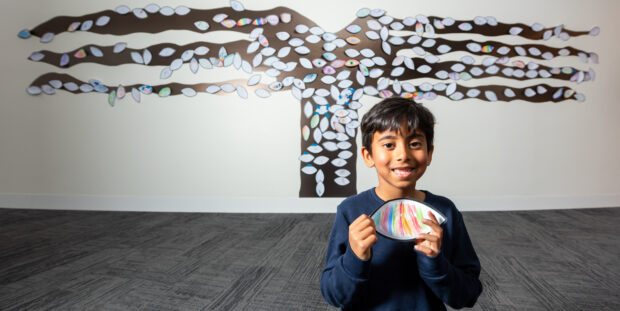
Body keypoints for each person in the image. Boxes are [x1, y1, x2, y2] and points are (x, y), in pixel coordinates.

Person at [320, 97, 482, 310]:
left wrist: (435, 262)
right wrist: (355, 257)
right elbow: (334, 295)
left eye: (415, 144)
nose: (403, 155)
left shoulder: (445, 212)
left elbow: (467, 296)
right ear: (368, 156)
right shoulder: (350, 211)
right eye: (389, 144)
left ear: (429, 153)